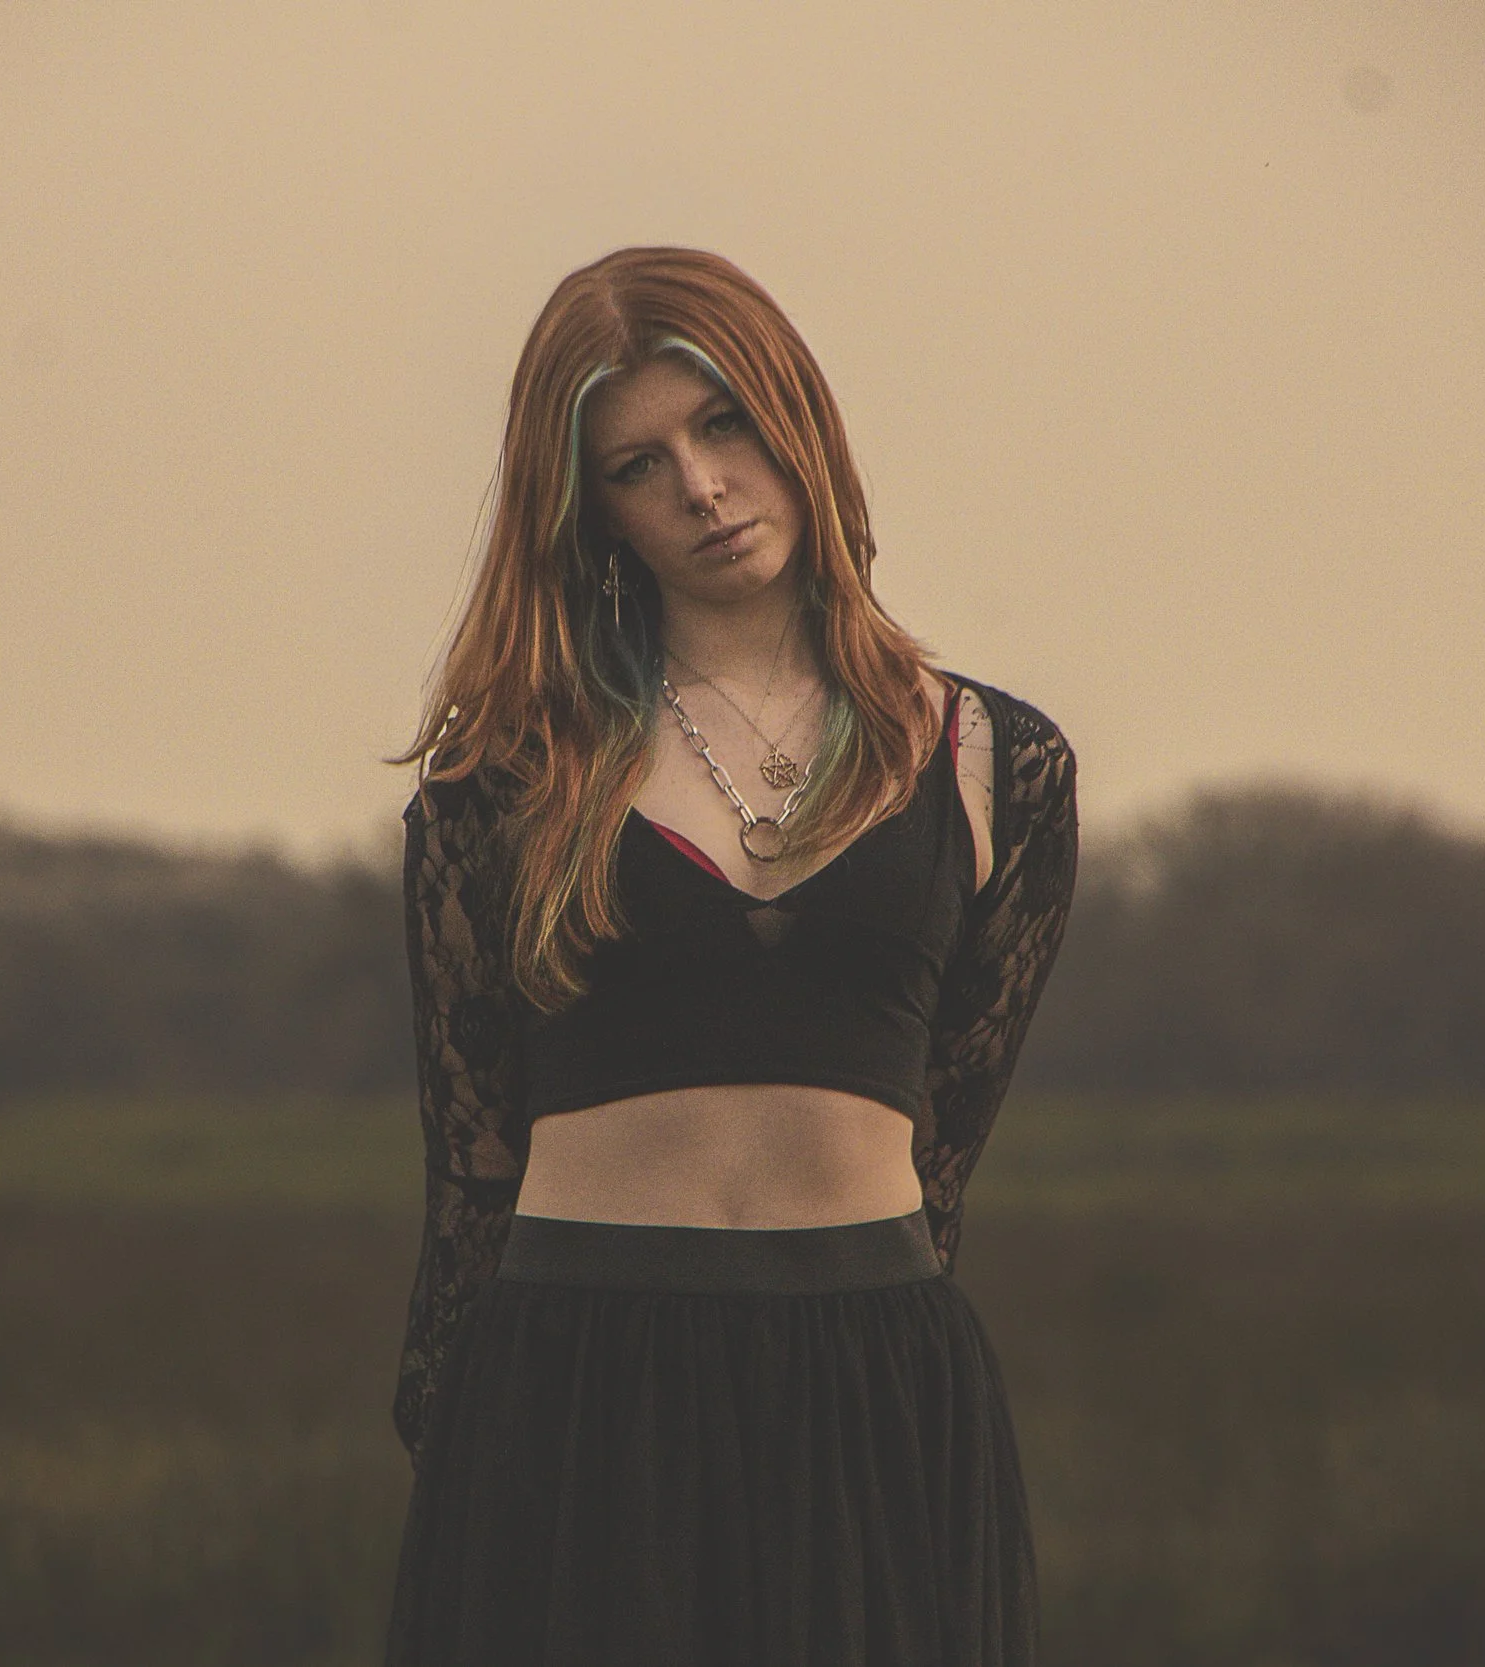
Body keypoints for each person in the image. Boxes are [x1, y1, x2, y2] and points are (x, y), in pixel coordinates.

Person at [383, 245, 1078, 1667]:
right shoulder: (503, 780)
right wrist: (461, 1445)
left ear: (797, 420)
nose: (700, 487)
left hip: (877, 1384)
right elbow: (470, 1162)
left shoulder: (1001, 761)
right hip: (580, 1381)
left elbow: (945, 1137)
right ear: (590, 513)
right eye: (638, 464)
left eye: (724, 426)